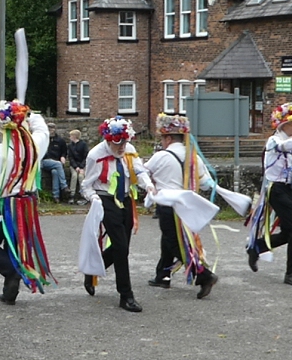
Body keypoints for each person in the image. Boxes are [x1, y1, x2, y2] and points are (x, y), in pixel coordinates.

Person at [0, 100, 56, 305]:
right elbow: (42, 130)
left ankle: (12, 273)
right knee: (14, 245)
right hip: (26, 206)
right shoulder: (34, 147)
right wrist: (30, 114)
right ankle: (10, 291)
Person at [80, 116, 155, 312]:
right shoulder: (95, 155)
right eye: (118, 143)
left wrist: (148, 185)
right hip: (106, 200)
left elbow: (139, 171)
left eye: (125, 142)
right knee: (121, 248)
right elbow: (86, 185)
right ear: (108, 140)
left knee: (121, 248)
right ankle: (126, 295)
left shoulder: (129, 150)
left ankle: (92, 270)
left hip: (127, 199)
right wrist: (94, 199)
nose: (122, 147)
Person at [144, 113, 217, 299]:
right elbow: (205, 183)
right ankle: (162, 276)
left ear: (168, 138)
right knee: (169, 240)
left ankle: (204, 275)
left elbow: (142, 175)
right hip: (187, 207)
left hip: (168, 206)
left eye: (162, 138)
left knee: (175, 243)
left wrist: (152, 185)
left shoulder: (161, 156)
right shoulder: (193, 157)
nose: (162, 142)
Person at [246, 103, 292, 286]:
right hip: (275, 189)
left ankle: (257, 247)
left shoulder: (290, 142)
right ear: (283, 125)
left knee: (289, 231)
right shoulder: (274, 141)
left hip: (287, 189)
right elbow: (285, 146)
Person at [42, 123, 70, 202]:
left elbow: (64, 151)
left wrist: (63, 156)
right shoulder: (43, 139)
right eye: (49, 129)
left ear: (55, 129)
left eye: (52, 128)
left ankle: (56, 196)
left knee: (55, 172)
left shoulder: (60, 140)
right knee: (58, 164)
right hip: (45, 161)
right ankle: (64, 186)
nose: (51, 130)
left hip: (56, 163)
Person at [67, 129, 88, 205]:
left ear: (74, 136)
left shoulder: (83, 144)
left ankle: (83, 195)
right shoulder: (70, 146)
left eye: (71, 136)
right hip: (74, 165)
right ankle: (72, 195)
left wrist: (81, 167)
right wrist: (76, 167)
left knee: (81, 177)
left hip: (82, 165)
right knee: (74, 176)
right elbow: (70, 157)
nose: (70, 137)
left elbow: (86, 157)